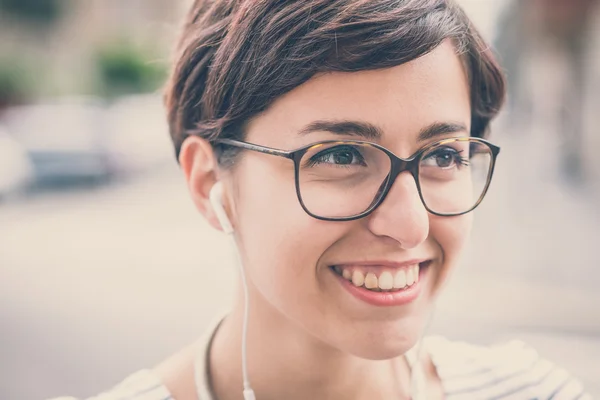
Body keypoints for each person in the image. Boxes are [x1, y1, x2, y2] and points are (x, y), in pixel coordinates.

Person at [53, 0, 591, 399]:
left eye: (444, 156)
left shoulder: (533, 391)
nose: (410, 225)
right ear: (207, 182)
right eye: (339, 156)